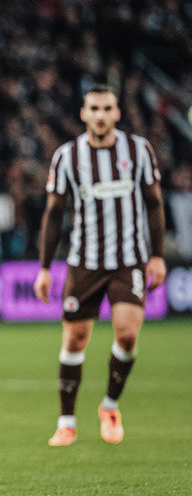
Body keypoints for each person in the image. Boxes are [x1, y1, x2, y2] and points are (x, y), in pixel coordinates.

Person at [34, 84, 167, 447]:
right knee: (75, 339)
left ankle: (109, 406)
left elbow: (154, 203)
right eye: (94, 108)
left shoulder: (138, 151)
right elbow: (54, 212)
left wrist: (157, 256)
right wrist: (45, 268)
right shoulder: (67, 156)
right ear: (83, 113)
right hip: (85, 262)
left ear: (117, 113)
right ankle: (66, 422)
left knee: (127, 333)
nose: (100, 115)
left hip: (129, 260)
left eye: (107, 108)